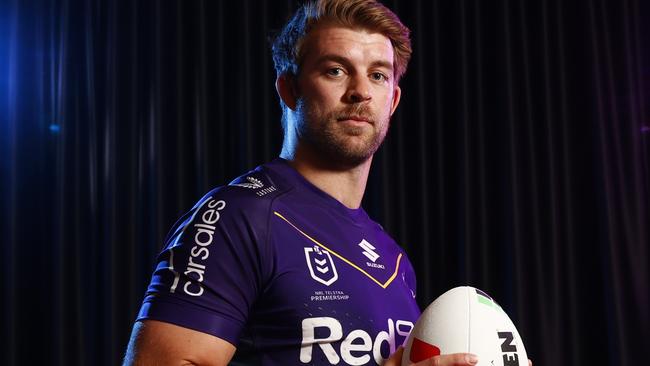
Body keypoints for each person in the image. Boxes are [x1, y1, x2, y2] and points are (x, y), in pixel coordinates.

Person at [124, 1, 497, 365]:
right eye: (336, 70)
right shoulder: (239, 217)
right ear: (289, 89)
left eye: (378, 75)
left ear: (393, 101)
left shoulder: (394, 260)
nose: (360, 91)